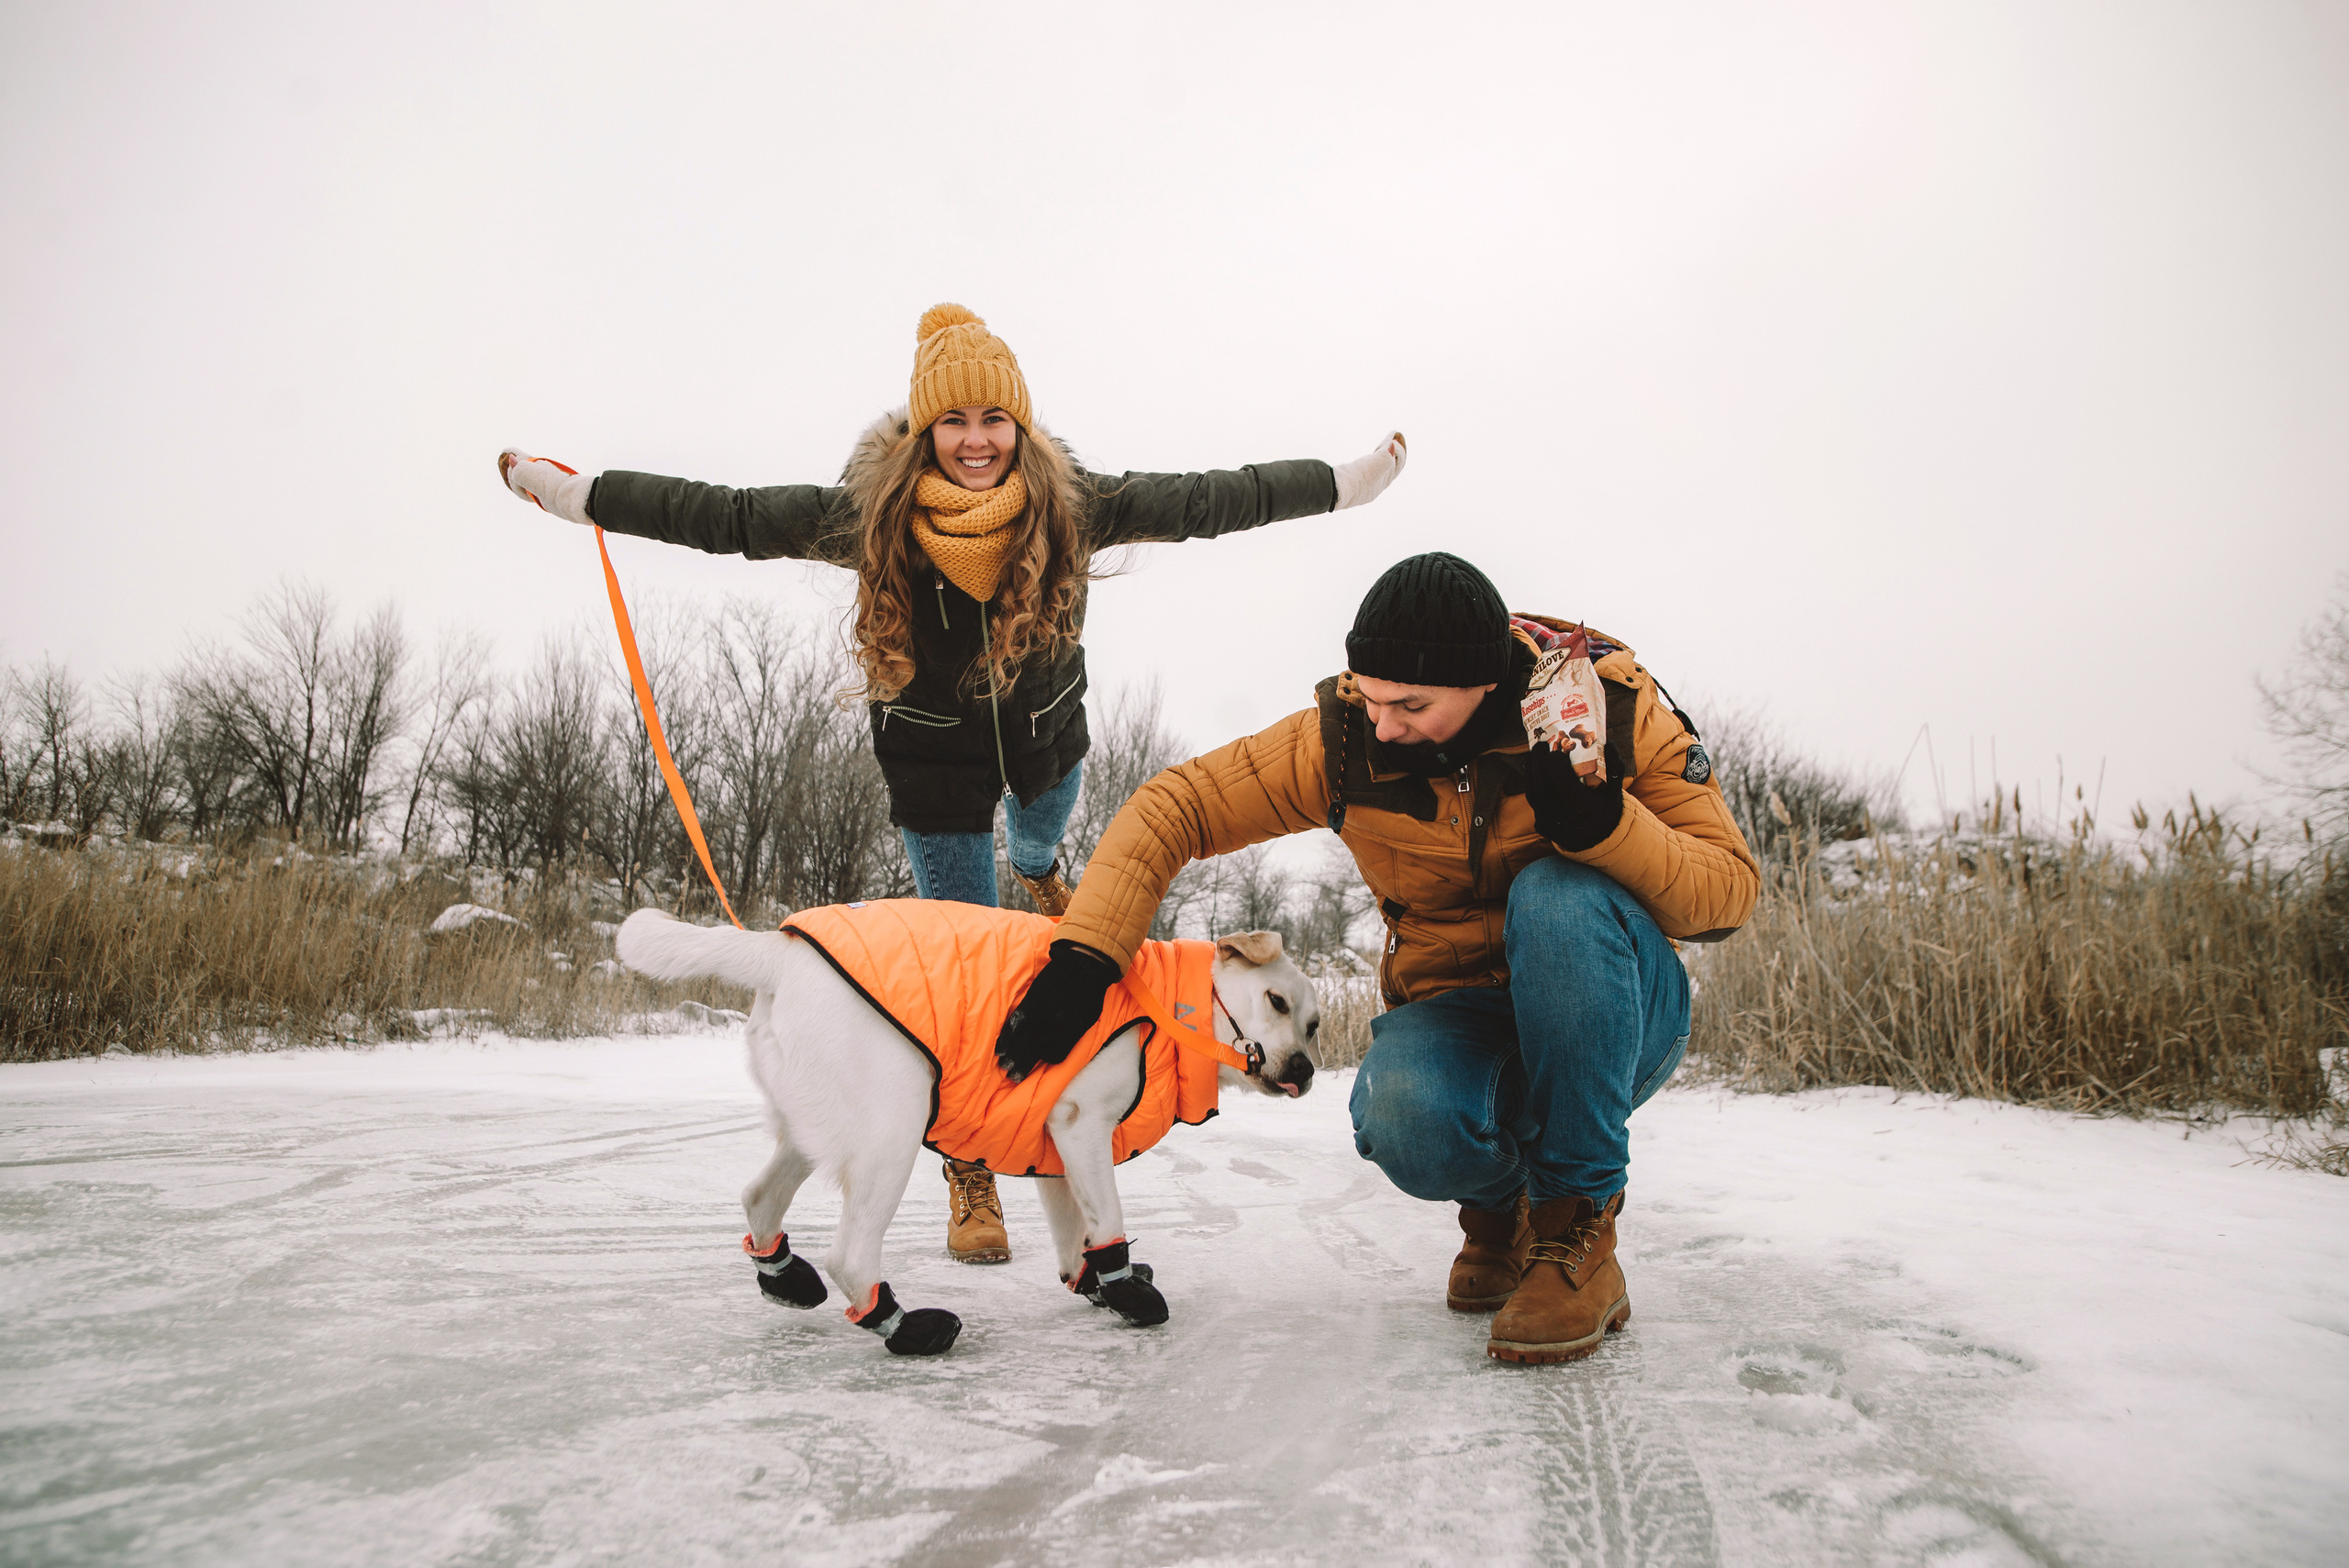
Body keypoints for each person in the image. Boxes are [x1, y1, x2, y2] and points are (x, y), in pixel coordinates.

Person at [498, 303, 1408, 1266]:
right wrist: (579, 493)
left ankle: (1040, 865)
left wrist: (1347, 484)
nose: (975, 442)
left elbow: (1214, 498)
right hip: (932, 764)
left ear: (1020, 426)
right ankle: (969, 1168)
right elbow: (720, 515)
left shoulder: (1072, 502)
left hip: (1046, 751)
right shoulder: (868, 515)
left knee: (1036, 842)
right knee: (966, 968)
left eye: (994, 420)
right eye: (953, 422)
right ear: (924, 430)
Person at [990, 551, 1758, 1363]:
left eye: (1411, 705)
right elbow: (1174, 805)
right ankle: (1501, 1209)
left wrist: (1606, 826)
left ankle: (1576, 1228)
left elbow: (1729, 894)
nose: (1385, 722)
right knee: (1399, 1113)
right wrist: (1087, 955)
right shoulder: (1349, 737)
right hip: (1463, 1010)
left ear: (1485, 685)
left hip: (1614, 1004)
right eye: (1373, 695)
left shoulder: (1611, 709)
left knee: (1557, 892)